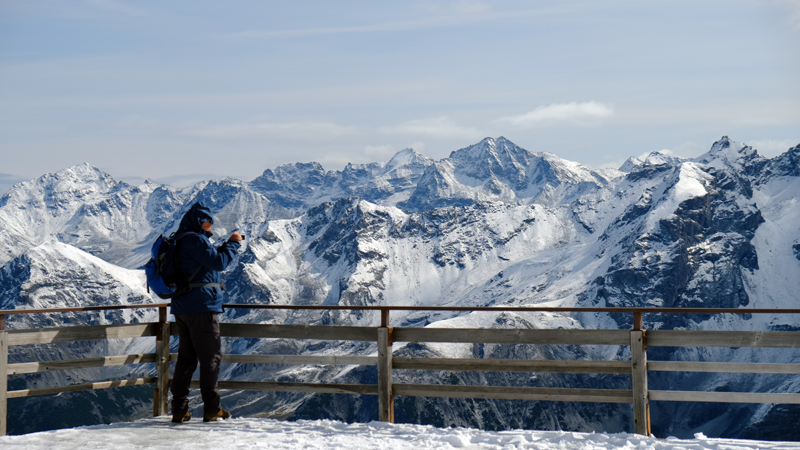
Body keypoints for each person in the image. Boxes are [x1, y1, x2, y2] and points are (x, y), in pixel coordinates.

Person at [169, 202, 242, 423]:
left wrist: (219, 246)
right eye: (207, 223)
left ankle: (179, 410)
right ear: (198, 222)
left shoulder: (181, 239)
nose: (210, 227)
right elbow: (219, 263)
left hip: (183, 307)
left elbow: (205, 262)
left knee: (186, 360)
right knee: (210, 359)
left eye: (211, 223)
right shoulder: (195, 240)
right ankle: (212, 409)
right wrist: (233, 244)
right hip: (201, 308)